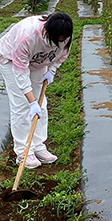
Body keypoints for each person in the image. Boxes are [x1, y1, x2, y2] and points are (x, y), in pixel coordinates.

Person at [0, 13, 73, 169]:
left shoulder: (65, 35)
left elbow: (62, 55)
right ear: (47, 32)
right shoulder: (27, 37)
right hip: (11, 61)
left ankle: (38, 145)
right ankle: (23, 152)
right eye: (57, 40)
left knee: (41, 103)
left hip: (38, 63)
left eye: (62, 40)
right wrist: (31, 101)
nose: (60, 43)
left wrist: (52, 70)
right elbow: (20, 73)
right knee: (22, 105)